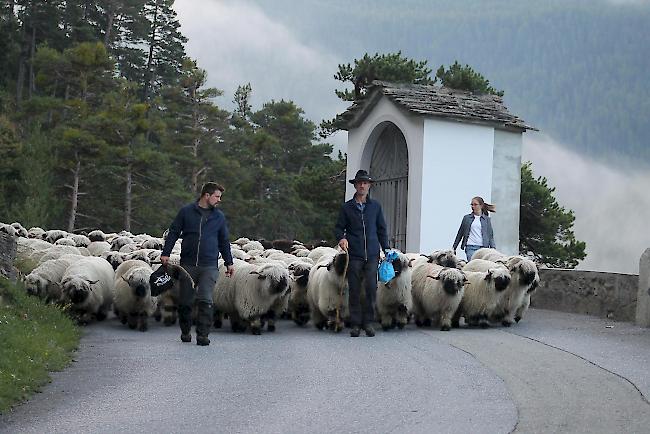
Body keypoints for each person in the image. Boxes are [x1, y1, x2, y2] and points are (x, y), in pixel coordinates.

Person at [160, 182, 234, 346]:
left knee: (206, 299)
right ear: (206, 195)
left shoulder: (219, 217)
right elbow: (173, 232)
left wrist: (229, 262)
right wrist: (166, 253)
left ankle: (203, 335)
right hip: (188, 264)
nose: (219, 200)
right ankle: (185, 331)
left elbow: (224, 240)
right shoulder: (186, 212)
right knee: (186, 301)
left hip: (209, 265)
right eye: (217, 196)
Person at [335, 169, 389, 337]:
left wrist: (386, 248)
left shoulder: (375, 207)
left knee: (371, 288)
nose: (362, 186)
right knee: (355, 289)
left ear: (369, 186)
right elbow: (338, 227)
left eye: (365, 183)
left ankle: (368, 322)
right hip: (355, 254)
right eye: (359, 183)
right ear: (355, 186)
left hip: (372, 254)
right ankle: (356, 323)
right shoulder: (347, 207)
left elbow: (382, 229)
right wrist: (341, 238)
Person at [453, 196, 496, 261]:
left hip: (483, 248)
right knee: (473, 265)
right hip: (470, 247)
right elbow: (460, 233)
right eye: (472, 205)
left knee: (481, 267)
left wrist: (493, 249)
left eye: (475, 205)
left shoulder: (486, 220)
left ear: (481, 206)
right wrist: (454, 247)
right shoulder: (466, 218)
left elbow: (490, 235)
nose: (473, 206)